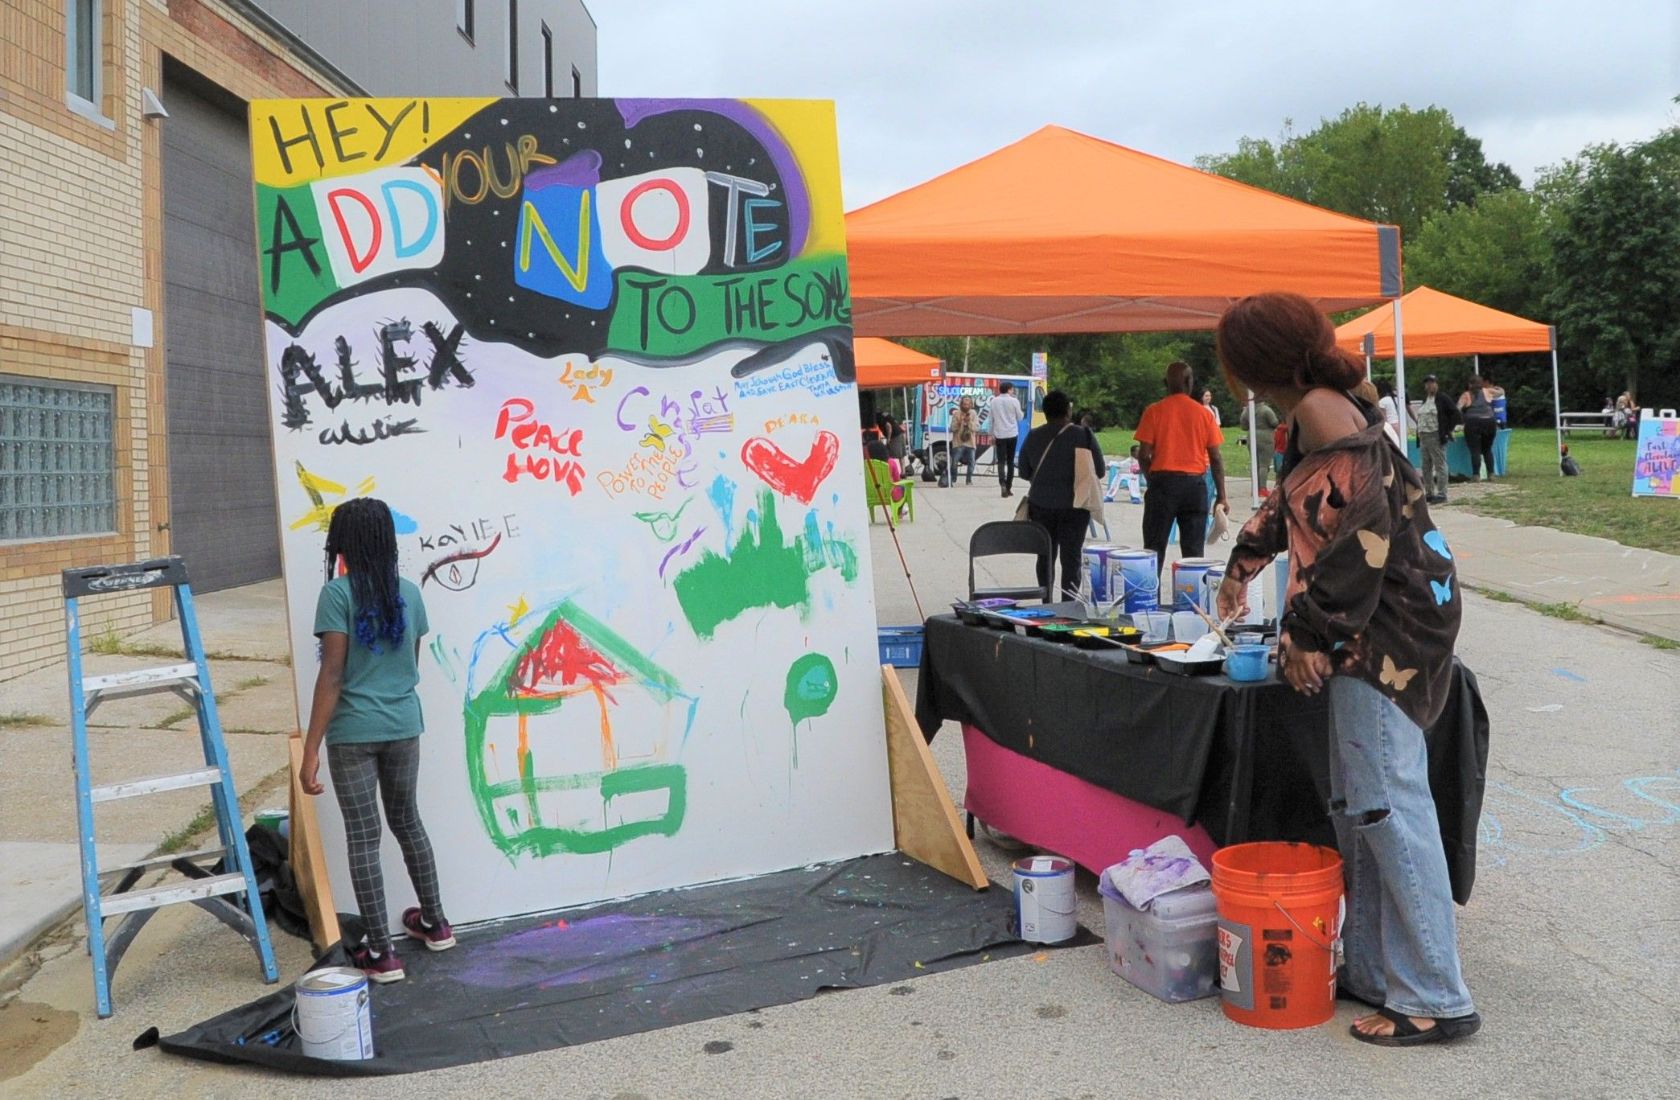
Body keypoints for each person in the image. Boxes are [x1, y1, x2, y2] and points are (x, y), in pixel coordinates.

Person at [1212, 291, 1476, 1048]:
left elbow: (1360, 537)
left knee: (1389, 809)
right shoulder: (1318, 410)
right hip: (1381, 622)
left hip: (1383, 633)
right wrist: (1244, 562)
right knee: (1359, 808)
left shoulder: (1327, 413)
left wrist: (1310, 632)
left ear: (1250, 363)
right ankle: (1372, 972)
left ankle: (1436, 995)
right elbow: (1297, 505)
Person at [300, 498, 454, 983]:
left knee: (365, 838)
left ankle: (382, 953)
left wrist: (309, 751)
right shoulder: (410, 592)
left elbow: (332, 675)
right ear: (387, 540)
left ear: (342, 543)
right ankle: (436, 923)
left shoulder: (337, 594)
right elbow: (411, 658)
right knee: (409, 821)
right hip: (404, 724)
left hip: (354, 734)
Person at [1135, 362, 1227, 583]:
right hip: (1194, 487)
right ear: (1189, 383)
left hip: (1162, 485)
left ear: (1166, 384)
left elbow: (1143, 454)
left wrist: (1152, 479)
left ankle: (1150, 604)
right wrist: (1221, 496)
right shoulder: (1203, 415)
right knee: (1194, 554)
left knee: (1153, 550)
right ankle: (1192, 606)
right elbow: (1215, 457)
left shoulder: (1154, 411)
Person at [1018, 389, 1105, 600]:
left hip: (1041, 506)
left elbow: (1023, 472)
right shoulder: (1084, 435)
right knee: (1071, 557)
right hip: (1075, 506)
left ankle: (1046, 600)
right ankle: (1068, 604)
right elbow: (1100, 470)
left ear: (1045, 412)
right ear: (1068, 410)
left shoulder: (1034, 436)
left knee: (1045, 556)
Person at [1417, 374, 1461, 505]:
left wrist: (1448, 430)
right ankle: (1429, 492)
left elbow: (1455, 414)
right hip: (1424, 436)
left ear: (1436, 384)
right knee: (1426, 466)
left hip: (1435, 435)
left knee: (1440, 464)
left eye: (1432, 383)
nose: (1430, 385)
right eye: (1427, 383)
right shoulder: (1426, 400)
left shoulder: (1443, 399)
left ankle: (1442, 492)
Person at [1458, 376, 1499, 480]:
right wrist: (1497, 388)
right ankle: (1491, 474)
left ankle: (1476, 475)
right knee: (1487, 449)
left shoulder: (1466, 395)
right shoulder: (1487, 391)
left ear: (1470, 385)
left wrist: (1462, 420)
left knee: (1475, 450)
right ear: (1481, 384)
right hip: (1490, 421)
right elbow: (1501, 393)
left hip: (1473, 422)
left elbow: (1457, 408)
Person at [988, 382, 1024, 498]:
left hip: (999, 434)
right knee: (1010, 461)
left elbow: (991, 419)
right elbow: (1020, 417)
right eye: (1012, 389)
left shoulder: (994, 401)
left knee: (1001, 461)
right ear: (1009, 389)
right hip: (1012, 433)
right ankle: (1008, 487)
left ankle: (1002, 483)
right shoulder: (1014, 401)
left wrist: (991, 434)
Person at [1250, 399, 1279, 496]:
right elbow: (1274, 422)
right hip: (1266, 437)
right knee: (1264, 465)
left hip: (1251, 436)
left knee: (1255, 464)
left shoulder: (1248, 410)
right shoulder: (1267, 410)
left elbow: (1244, 425)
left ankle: (1254, 488)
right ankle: (1262, 488)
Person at [950, 395, 979, 486]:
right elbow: (952, 428)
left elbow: (976, 428)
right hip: (958, 442)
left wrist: (969, 421)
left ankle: (969, 480)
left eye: (968, 404)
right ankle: (953, 479)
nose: (966, 406)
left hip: (970, 442)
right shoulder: (956, 413)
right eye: (964, 404)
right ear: (961, 404)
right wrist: (959, 423)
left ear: (971, 405)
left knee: (972, 462)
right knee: (954, 461)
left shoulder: (973, 413)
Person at [1375, 380, 1410, 447]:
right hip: (1401, 425)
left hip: (1391, 426)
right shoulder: (1398, 399)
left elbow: (1383, 419)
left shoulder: (1382, 401)